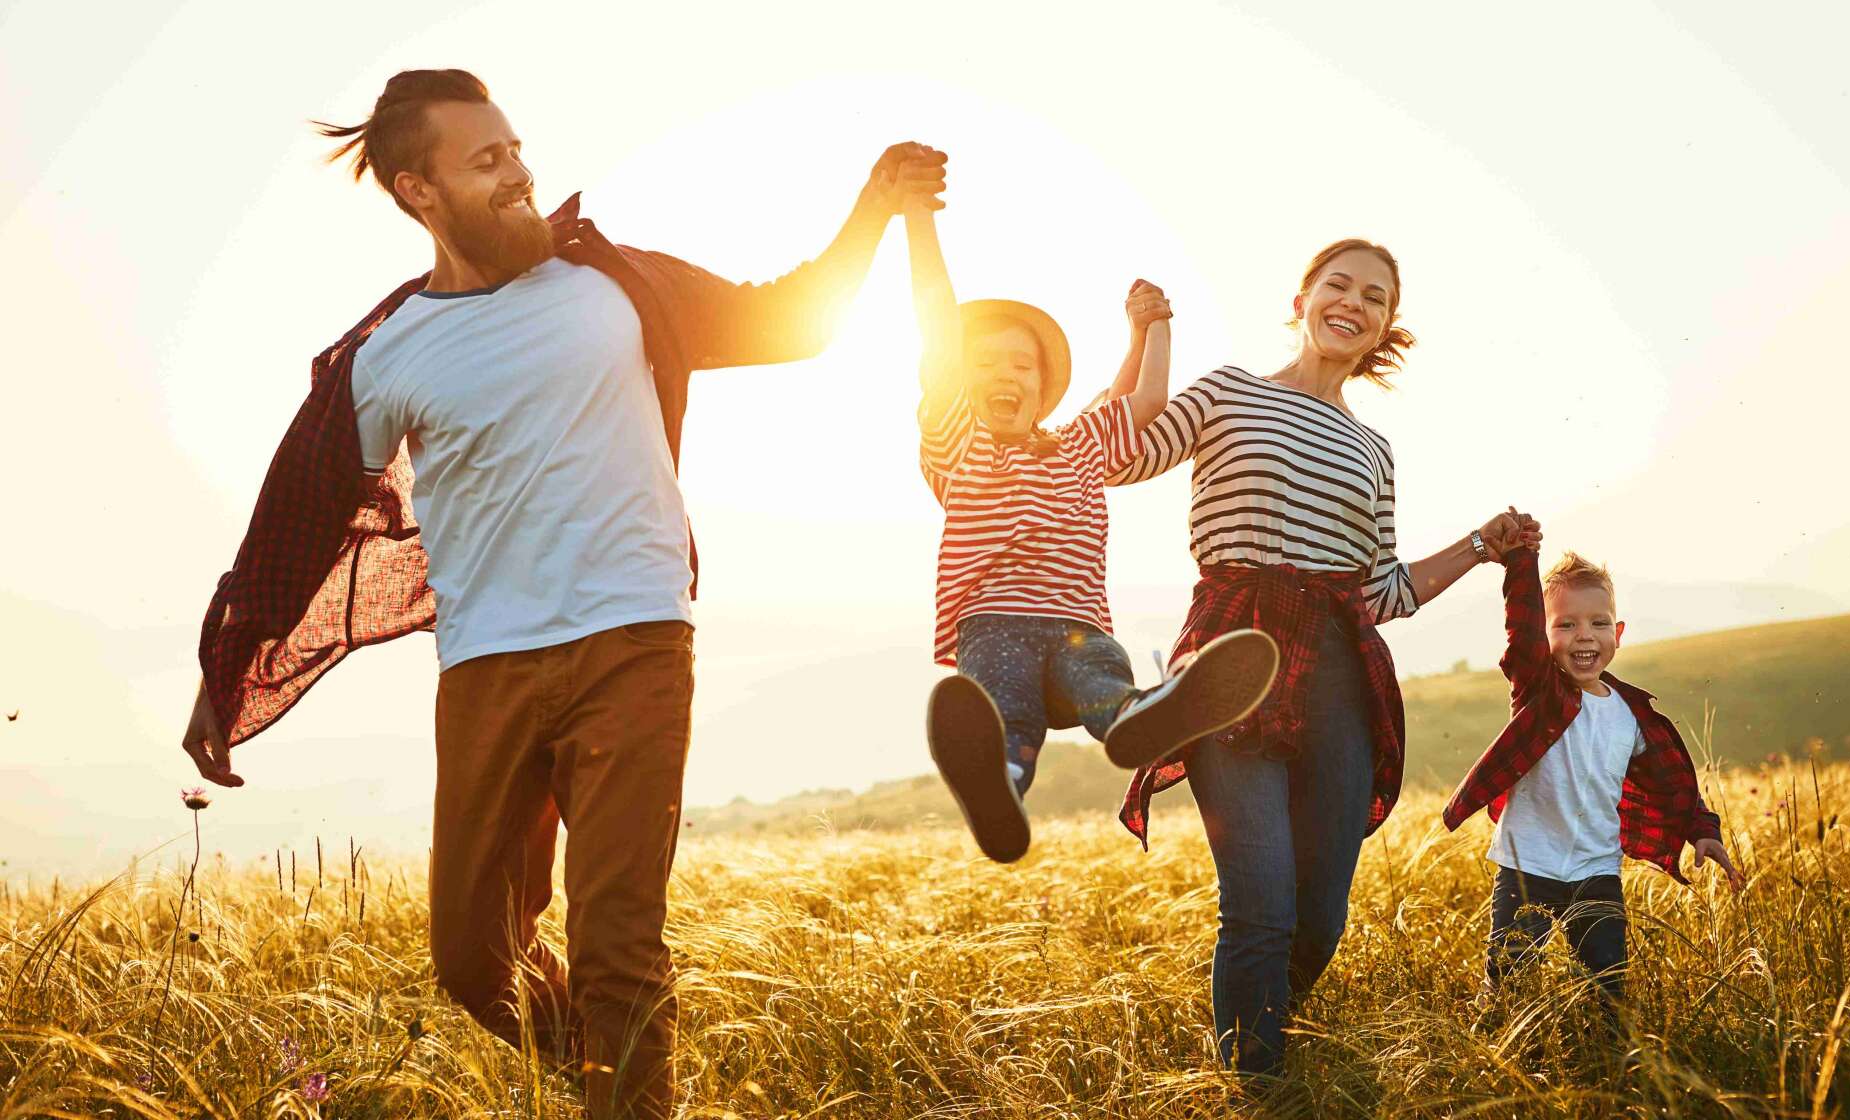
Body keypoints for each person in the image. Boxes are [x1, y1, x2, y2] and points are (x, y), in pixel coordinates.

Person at [175, 68, 945, 1118]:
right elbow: (301, 522)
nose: (520, 174)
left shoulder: (615, 282)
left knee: (616, 943)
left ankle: (627, 1087)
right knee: (470, 959)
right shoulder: (388, 353)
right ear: (420, 191)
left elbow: (791, 322)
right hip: (486, 668)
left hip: (632, 643)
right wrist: (227, 672)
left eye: (516, 150)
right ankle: (606, 1068)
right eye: (486, 161)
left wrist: (875, 206)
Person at [1105, 239, 1539, 1080]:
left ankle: (1266, 1034)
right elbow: (1123, 456)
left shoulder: (1373, 450)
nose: (1353, 303)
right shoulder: (1228, 392)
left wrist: (1482, 545)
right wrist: (1143, 336)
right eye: (1338, 284)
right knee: (1260, 908)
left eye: (1374, 298)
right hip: (1233, 661)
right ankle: (1256, 1086)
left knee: (1319, 919)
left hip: (1341, 673)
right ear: (1302, 297)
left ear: (1385, 327)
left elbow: (1383, 592)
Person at [905, 204, 1278, 863]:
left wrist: (1154, 328)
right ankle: (1003, 790)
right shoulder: (958, 443)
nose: (1005, 375)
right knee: (1005, 714)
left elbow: (1143, 400)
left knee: (1102, 682)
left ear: (1044, 388)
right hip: (994, 625)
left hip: (1080, 628)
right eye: (985, 364)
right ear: (956, 384)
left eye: (1022, 367)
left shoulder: (1080, 444)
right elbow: (935, 325)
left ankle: (1142, 719)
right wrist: (917, 224)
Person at [1443, 545, 1745, 1008]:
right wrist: (1522, 558)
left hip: (1597, 870)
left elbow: (1672, 782)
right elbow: (1521, 626)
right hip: (1529, 869)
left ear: (1618, 633)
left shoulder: (1631, 715)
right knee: (1508, 984)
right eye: (1565, 624)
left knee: (1608, 991)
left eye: (1598, 623)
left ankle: (1607, 1061)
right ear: (1543, 638)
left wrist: (1701, 829)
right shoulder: (1538, 692)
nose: (1585, 635)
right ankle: (1491, 1048)